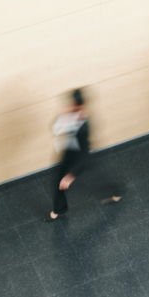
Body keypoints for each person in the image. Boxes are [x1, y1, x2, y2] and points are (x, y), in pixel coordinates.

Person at [47, 89, 122, 221]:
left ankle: (116, 190)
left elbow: (85, 154)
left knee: (93, 181)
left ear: (80, 106)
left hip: (81, 158)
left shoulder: (84, 125)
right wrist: (64, 116)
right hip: (69, 152)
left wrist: (71, 176)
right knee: (58, 181)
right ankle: (59, 210)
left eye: (74, 105)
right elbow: (55, 127)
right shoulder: (71, 115)